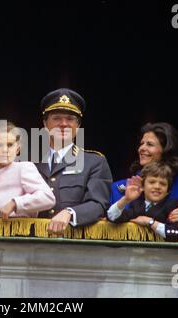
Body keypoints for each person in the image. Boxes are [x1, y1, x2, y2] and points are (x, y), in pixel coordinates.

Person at [110, 122, 178, 242]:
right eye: (141, 144)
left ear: (166, 149)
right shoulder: (121, 186)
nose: (142, 148)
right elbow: (112, 222)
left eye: (149, 144)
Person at [35, 88, 113, 234]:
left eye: (70, 119)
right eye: (57, 118)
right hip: (33, 244)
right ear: (45, 124)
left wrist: (70, 212)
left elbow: (98, 203)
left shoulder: (94, 162)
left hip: (75, 244)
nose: (64, 124)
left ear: (78, 126)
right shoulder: (31, 164)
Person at [0, 121, 56, 219]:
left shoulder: (23, 168)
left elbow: (48, 198)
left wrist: (15, 203)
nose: (5, 149)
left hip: (19, 233)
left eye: (10, 145)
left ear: (18, 149)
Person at [107, 162, 178, 242]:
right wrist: (126, 199)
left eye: (163, 184)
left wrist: (149, 222)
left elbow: (175, 234)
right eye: (152, 182)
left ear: (168, 191)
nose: (157, 187)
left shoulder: (173, 205)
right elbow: (112, 217)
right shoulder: (136, 204)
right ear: (143, 186)